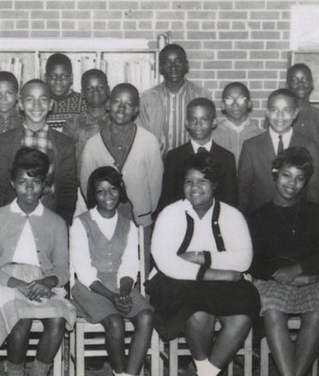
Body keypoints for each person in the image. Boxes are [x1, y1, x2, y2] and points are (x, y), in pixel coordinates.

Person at [147, 151, 259, 376]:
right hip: (176, 281)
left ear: (215, 184)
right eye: (189, 181)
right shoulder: (170, 214)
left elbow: (242, 260)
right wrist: (213, 272)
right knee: (198, 316)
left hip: (222, 282)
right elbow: (165, 261)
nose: (194, 188)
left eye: (202, 181)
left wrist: (198, 257)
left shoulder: (231, 215)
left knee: (242, 315)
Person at [0, 148, 75, 376]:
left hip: (42, 281)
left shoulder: (56, 222)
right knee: (19, 318)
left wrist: (50, 281)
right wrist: (15, 283)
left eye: (35, 182)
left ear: (45, 185)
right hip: (4, 281)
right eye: (22, 182)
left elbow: (63, 268)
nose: (29, 188)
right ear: (12, 183)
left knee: (57, 320)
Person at [248, 147, 319, 376]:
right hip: (273, 280)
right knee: (273, 310)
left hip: (312, 277)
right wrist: (286, 274)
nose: (292, 183)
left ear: (306, 181)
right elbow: (253, 261)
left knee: (316, 314)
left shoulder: (317, 212)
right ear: (275, 175)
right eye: (286, 176)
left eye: (299, 178)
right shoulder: (257, 215)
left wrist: (300, 269)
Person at [71, 167, 154, 376]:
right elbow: (83, 270)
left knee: (147, 316)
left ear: (121, 190)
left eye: (113, 189)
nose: (108, 195)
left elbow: (130, 265)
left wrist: (125, 292)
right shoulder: (81, 223)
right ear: (92, 195)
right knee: (115, 322)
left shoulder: (128, 224)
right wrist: (112, 297)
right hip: (90, 286)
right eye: (101, 191)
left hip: (121, 283)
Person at [80, 83, 163, 246]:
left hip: (140, 219)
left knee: (140, 265)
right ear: (108, 104)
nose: (121, 108)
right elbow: (87, 186)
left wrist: (144, 212)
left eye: (129, 104)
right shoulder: (93, 144)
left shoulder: (148, 141)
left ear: (136, 110)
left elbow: (156, 184)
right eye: (117, 102)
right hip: (104, 218)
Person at [0, 79, 77, 224]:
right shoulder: (5, 140)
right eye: (29, 99)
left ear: (51, 104)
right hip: (12, 218)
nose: (36, 105)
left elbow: (67, 187)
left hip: (50, 216)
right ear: (20, 104)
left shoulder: (63, 143)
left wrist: (62, 222)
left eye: (43, 99)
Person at [237, 88, 319, 216]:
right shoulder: (251, 146)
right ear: (267, 113)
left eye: (286, 110)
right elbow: (243, 192)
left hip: (297, 218)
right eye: (274, 110)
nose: (280, 116)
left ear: (295, 113)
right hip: (260, 219)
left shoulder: (309, 146)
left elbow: (313, 191)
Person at [158, 97, 237, 212]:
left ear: (213, 122)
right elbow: (168, 197)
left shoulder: (226, 158)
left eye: (204, 119)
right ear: (187, 123)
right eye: (193, 120)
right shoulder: (174, 156)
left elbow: (230, 199)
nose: (198, 124)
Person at [139, 44, 209, 158]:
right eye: (167, 63)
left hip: (191, 163)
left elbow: (207, 136)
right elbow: (142, 137)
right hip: (158, 163)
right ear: (160, 68)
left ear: (186, 65)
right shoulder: (148, 98)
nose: (173, 67)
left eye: (178, 61)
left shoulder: (201, 95)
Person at [62, 69, 111, 178]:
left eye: (101, 87)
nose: (95, 92)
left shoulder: (115, 122)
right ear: (83, 93)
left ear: (108, 90)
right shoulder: (72, 124)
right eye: (89, 88)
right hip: (79, 186)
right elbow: (65, 161)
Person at [211, 82, 264, 167]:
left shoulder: (261, 135)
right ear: (222, 105)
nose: (235, 104)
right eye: (229, 100)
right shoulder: (213, 136)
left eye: (240, 99)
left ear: (249, 103)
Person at [286, 63, 319, 158]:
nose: (300, 84)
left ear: (312, 84)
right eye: (295, 80)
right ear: (287, 85)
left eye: (305, 80)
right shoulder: (280, 116)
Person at [44, 53, 85, 131]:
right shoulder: (41, 103)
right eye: (53, 76)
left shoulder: (83, 103)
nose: (58, 81)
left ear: (71, 78)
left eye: (64, 76)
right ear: (46, 78)